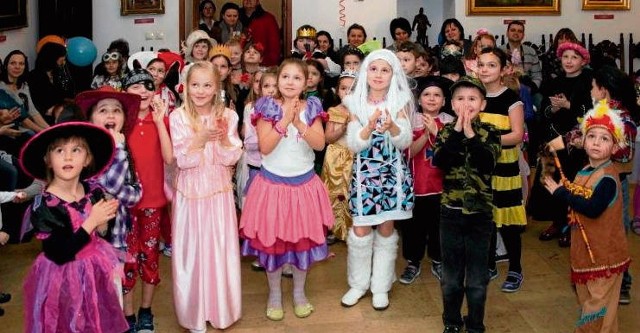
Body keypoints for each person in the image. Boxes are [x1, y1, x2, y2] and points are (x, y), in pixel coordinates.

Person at [239, 58, 334, 321]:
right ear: (278, 80)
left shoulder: (312, 106)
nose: (290, 82)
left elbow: (319, 144)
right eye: (285, 77)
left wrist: (299, 123)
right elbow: (266, 147)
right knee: (274, 244)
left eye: (297, 78)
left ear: (306, 83)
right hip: (273, 187)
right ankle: (275, 294)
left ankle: (300, 293)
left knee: (301, 243)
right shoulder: (266, 107)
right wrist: (284, 121)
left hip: (303, 186)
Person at [19, 121, 129, 333]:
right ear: (48, 160)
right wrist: (91, 222)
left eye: (76, 150)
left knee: (98, 318)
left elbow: (103, 234)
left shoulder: (93, 191)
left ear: (86, 159)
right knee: (70, 322)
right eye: (59, 151)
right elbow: (59, 253)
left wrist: (105, 222)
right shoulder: (44, 206)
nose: (68, 157)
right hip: (63, 281)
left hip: (95, 271)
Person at [542, 100, 631, 333]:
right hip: (585, 255)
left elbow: (592, 208)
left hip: (605, 257)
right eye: (592, 137)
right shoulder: (585, 171)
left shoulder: (608, 179)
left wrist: (562, 193)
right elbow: (577, 198)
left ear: (614, 147)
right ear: (583, 141)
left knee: (597, 309)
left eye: (605, 139)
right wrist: (562, 189)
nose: (597, 142)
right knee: (589, 304)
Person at [170, 61, 243, 332]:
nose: (200, 91)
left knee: (219, 249)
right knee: (192, 252)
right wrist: (200, 138)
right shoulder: (178, 117)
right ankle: (194, 313)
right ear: (186, 87)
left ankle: (221, 309)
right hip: (190, 194)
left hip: (218, 193)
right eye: (195, 85)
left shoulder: (228, 116)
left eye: (207, 85)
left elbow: (232, 156)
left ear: (217, 87)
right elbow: (183, 160)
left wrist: (223, 140)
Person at [341, 49, 414, 311]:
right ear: (365, 72)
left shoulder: (400, 101)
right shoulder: (354, 102)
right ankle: (358, 284)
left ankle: (380, 286)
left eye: (385, 70)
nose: (378, 75)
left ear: (393, 74)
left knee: (385, 229)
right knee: (360, 230)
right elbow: (353, 144)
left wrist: (393, 127)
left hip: (392, 176)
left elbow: (405, 140)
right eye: (373, 69)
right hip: (364, 177)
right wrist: (369, 128)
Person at [432, 76, 501, 333]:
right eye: (460, 99)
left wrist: (471, 133)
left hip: (480, 216)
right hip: (450, 214)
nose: (466, 104)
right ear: (451, 104)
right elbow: (441, 161)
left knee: (476, 280)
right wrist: (459, 131)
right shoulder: (447, 132)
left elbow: (487, 163)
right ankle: (451, 321)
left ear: (482, 104)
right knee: (450, 279)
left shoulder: (490, 132)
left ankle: (475, 325)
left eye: (472, 99)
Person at [122, 68, 173, 332]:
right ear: (125, 93)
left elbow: (168, 157)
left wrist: (160, 119)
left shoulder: (161, 120)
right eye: (135, 87)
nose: (142, 91)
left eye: (147, 86)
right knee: (127, 260)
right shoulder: (121, 123)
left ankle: (146, 312)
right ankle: (127, 315)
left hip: (153, 202)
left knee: (150, 257)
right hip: (125, 205)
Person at [529, 42, 593, 248]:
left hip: (577, 142)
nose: (569, 61)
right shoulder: (553, 82)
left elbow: (590, 113)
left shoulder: (588, 82)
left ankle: (571, 225)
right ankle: (557, 222)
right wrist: (553, 110)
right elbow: (543, 111)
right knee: (552, 179)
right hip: (554, 139)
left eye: (574, 57)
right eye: (565, 57)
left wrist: (568, 106)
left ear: (583, 61)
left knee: (573, 183)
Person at [477, 48, 526, 293]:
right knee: (485, 219)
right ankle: (489, 265)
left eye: (491, 65)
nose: (485, 69)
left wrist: (487, 138)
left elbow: (517, 134)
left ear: (504, 69)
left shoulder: (511, 99)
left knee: (508, 223)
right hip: (481, 170)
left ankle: (515, 268)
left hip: (505, 170)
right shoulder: (475, 96)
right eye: (481, 64)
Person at [399, 75, 453, 285]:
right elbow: (408, 153)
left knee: (439, 226)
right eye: (427, 95)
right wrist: (426, 134)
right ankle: (413, 261)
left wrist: (438, 132)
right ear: (419, 99)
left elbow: (451, 153)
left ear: (444, 100)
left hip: (441, 186)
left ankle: (438, 259)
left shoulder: (450, 120)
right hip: (416, 185)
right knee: (413, 227)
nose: (432, 99)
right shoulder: (410, 120)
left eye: (437, 95)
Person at [590, 65, 638, 305]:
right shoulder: (597, 112)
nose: (591, 89)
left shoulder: (622, 117)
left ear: (603, 90)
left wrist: (595, 146)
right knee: (596, 233)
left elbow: (626, 154)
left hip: (615, 184)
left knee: (616, 235)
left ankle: (623, 283)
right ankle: (600, 278)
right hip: (595, 181)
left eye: (593, 86)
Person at [321, 71, 357, 243]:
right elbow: (328, 138)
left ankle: (351, 228)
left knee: (351, 192)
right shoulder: (334, 110)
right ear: (337, 91)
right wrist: (343, 128)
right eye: (344, 88)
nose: (348, 93)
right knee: (334, 192)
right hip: (336, 157)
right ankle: (333, 228)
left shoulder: (362, 111)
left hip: (355, 157)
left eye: (352, 89)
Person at [0, 50, 50, 136]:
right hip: (12, 129)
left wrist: (49, 129)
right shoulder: (1, 87)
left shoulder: (24, 85)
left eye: (21, 64)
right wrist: (42, 132)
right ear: (6, 65)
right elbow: (21, 118)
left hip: (27, 127)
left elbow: (33, 111)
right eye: (13, 63)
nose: (17, 67)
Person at [499, 21, 542, 93]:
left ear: (523, 35)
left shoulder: (531, 52)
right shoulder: (499, 51)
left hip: (527, 89)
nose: (516, 33)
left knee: (540, 101)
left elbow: (537, 76)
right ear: (507, 33)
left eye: (520, 31)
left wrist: (531, 90)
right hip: (504, 89)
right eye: (513, 30)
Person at [240, 0, 281, 67]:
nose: (248, 0)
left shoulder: (269, 19)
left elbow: (274, 46)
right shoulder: (235, 16)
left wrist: (269, 64)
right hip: (238, 65)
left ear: (258, 1)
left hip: (263, 65)